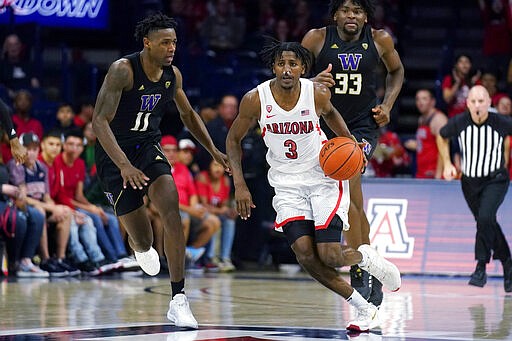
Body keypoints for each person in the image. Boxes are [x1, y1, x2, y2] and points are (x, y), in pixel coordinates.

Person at [226, 39, 401, 332]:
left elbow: (332, 115)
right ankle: (363, 307)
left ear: (303, 68)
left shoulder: (315, 93)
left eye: (293, 64)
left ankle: (368, 259)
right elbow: (233, 140)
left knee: (331, 256)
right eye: (281, 64)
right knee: (306, 256)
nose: (286, 69)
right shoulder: (255, 99)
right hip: (286, 185)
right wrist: (239, 185)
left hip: (323, 178)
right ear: (273, 67)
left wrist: (350, 144)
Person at [92, 13, 228, 328]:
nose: (171, 48)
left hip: (147, 148)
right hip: (115, 156)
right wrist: (124, 165)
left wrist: (214, 151)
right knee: (143, 238)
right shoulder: (122, 71)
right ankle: (140, 247)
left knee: (171, 209)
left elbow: (189, 115)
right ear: (147, 43)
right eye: (165, 42)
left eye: (175, 42)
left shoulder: (172, 75)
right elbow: (99, 121)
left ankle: (178, 298)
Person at [301, 0, 404, 307]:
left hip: (361, 127)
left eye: (358, 11)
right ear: (335, 15)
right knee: (342, 197)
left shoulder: (379, 39)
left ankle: (364, 270)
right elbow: (290, 78)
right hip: (324, 125)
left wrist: (387, 106)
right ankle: (363, 261)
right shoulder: (316, 39)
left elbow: (396, 72)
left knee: (352, 189)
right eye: (346, 10)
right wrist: (312, 81)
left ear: (365, 17)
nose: (351, 16)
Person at [437, 85, 512, 292]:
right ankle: (508, 263)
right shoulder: (459, 122)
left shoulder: (501, 122)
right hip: (469, 182)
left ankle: (480, 266)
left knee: (485, 218)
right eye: (473, 101)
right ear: (467, 103)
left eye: (481, 101)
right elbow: (441, 136)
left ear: (490, 102)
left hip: (495, 179)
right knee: (486, 222)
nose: (477, 105)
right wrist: (447, 164)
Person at [404, 89, 448, 179]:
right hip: (421, 172)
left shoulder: (439, 119)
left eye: (424, 99)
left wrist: (438, 175)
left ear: (432, 102)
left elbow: (444, 148)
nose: (420, 102)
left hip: (433, 173)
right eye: (417, 99)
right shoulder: (421, 119)